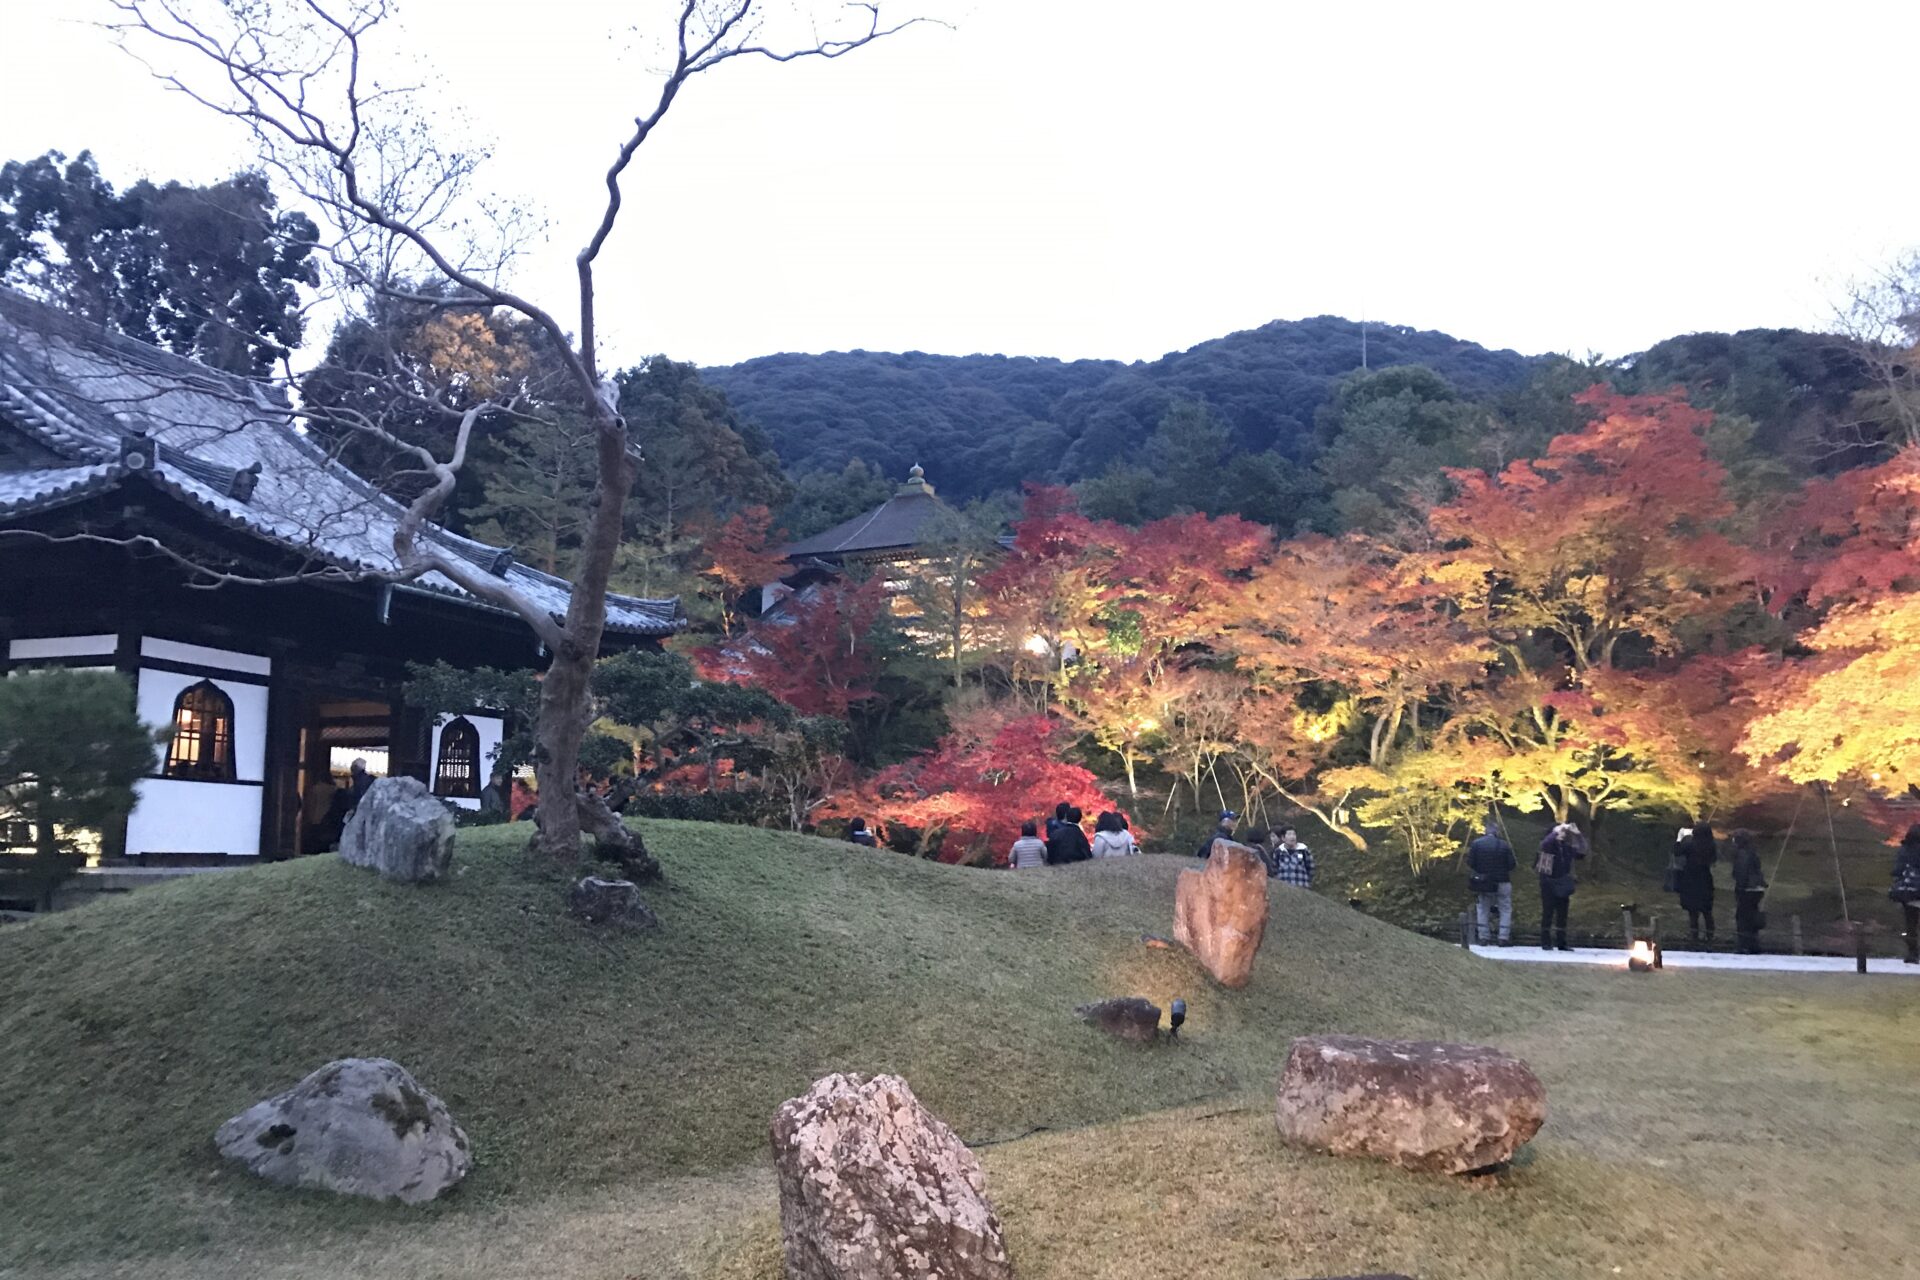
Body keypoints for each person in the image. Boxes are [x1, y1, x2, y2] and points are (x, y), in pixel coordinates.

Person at [1465, 815, 1517, 946]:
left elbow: (1470, 862)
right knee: (1505, 908)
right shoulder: (1504, 845)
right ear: (1497, 832)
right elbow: (1512, 865)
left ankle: (1484, 937)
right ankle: (1503, 937)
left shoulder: (1477, 844)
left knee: (1482, 908)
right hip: (1502, 880)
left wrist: (1481, 870)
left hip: (1484, 882)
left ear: (1485, 831)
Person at [1536, 821, 1586, 951]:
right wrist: (1556, 830)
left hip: (1562, 883)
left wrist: (1577, 834)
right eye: (1560, 832)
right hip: (1548, 882)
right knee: (1548, 913)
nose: (1562, 834)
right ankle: (1546, 942)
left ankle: (1561, 942)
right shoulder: (1548, 846)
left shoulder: (1566, 848)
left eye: (1563, 832)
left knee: (1562, 915)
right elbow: (1545, 843)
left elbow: (1582, 851)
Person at [1674, 821, 1719, 944]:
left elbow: (1677, 851)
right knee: (1707, 911)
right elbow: (1713, 859)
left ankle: (1694, 936)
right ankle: (1710, 936)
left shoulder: (1690, 844)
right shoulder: (1711, 845)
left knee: (1693, 911)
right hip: (1705, 879)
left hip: (1690, 879)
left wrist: (1680, 837)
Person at [1729, 828, 1768, 954]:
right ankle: (1753, 945)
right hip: (1757, 888)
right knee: (1752, 916)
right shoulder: (1752, 851)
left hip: (1747, 889)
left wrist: (1740, 888)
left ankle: (1743, 945)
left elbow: (1741, 873)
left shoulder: (1742, 854)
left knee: (1742, 917)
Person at [1892, 824, 1920, 965]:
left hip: (1909, 891)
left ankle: (1913, 953)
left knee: (1911, 924)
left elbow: (1897, 870)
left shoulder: (1904, 850)